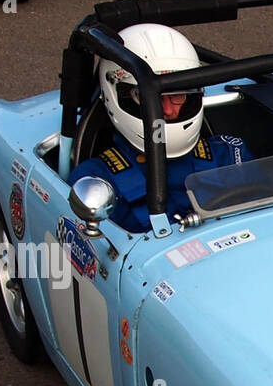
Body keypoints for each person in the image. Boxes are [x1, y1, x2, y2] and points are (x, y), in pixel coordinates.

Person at [69, 22, 252, 233]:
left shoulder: (228, 154)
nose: (166, 110)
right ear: (117, 95)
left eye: (177, 95)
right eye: (149, 97)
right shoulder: (96, 183)